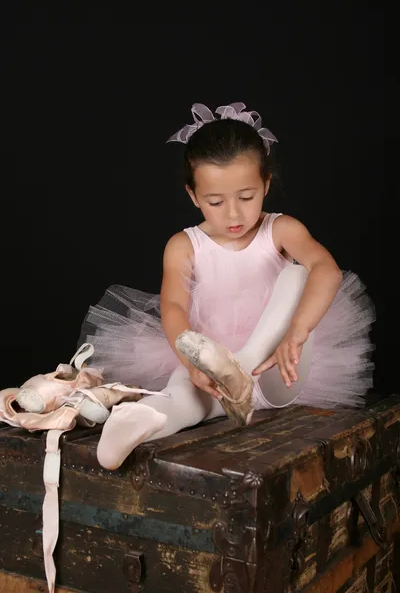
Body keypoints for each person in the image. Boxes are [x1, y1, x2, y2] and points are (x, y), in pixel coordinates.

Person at [79, 102, 375, 470]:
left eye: (246, 197)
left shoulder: (280, 230)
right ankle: (141, 419)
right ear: (193, 195)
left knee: (298, 274)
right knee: (186, 398)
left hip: (279, 366)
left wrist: (297, 332)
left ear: (266, 184)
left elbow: (326, 270)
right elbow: (172, 308)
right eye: (215, 202)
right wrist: (191, 361)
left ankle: (241, 371)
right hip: (218, 365)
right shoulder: (184, 245)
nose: (233, 214)